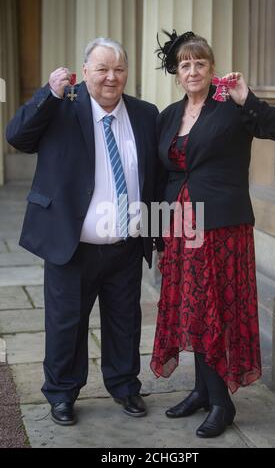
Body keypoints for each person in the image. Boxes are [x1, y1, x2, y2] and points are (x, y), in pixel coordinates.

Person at [6, 37, 161, 425]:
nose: (112, 77)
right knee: (66, 325)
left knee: (125, 322)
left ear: (127, 73)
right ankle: (61, 393)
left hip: (125, 244)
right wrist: (47, 93)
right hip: (72, 245)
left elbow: (154, 178)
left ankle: (125, 386)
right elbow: (17, 137)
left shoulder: (144, 114)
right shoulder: (62, 106)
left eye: (119, 69)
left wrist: (158, 232)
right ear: (86, 71)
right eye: (102, 69)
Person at [150, 30, 275, 438]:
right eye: (185, 64)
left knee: (213, 308)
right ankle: (201, 390)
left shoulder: (230, 106)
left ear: (212, 68)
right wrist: (158, 229)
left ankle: (222, 402)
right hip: (181, 227)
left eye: (200, 63)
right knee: (191, 308)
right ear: (177, 73)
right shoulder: (169, 115)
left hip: (221, 227)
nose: (193, 70)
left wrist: (247, 97)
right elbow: (164, 172)